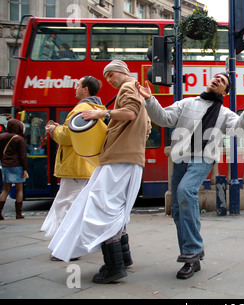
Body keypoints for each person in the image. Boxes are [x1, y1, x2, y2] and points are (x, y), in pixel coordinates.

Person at [136, 73, 244, 279]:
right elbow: (164, 118)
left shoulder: (225, 113)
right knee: (177, 209)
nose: (217, 79)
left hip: (203, 158)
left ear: (225, 92)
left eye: (222, 81)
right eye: (216, 77)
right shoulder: (187, 103)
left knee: (186, 191)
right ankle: (190, 258)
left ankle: (193, 249)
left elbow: (238, 130)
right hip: (180, 158)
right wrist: (150, 100)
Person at [48, 60, 151, 284]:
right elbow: (147, 125)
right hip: (131, 157)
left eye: (111, 75)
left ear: (122, 72)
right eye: (106, 77)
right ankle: (124, 257)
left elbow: (130, 113)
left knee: (101, 208)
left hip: (119, 158)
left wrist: (101, 115)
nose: (110, 81)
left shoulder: (127, 86)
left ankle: (114, 267)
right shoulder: (136, 90)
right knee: (116, 209)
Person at [41, 76, 104, 260]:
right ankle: (75, 244)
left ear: (85, 89)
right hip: (85, 165)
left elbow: (68, 136)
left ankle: (66, 248)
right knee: (77, 206)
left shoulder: (82, 108)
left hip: (75, 166)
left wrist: (53, 130)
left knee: (65, 205)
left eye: (77, 85)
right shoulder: (95, 108)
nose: (74, 88)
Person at [0, 119, 28, 220]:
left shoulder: (1, 137)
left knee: (6, 189)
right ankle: (18, 214)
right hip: (17, 166)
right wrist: (25, 169)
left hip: (5, 165)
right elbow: (22, 155)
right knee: (19, 189)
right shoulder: (18, 139)